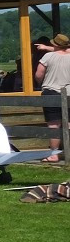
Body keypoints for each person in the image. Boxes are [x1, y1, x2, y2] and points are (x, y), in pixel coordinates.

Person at [35, 33, 70, 163]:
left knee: (54, 125)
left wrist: (40, 83)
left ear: (54, 44)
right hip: (69, 93)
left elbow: (39, 74)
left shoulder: (48, 56)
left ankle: (54, 154)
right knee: (69, 123)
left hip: (51, 92)